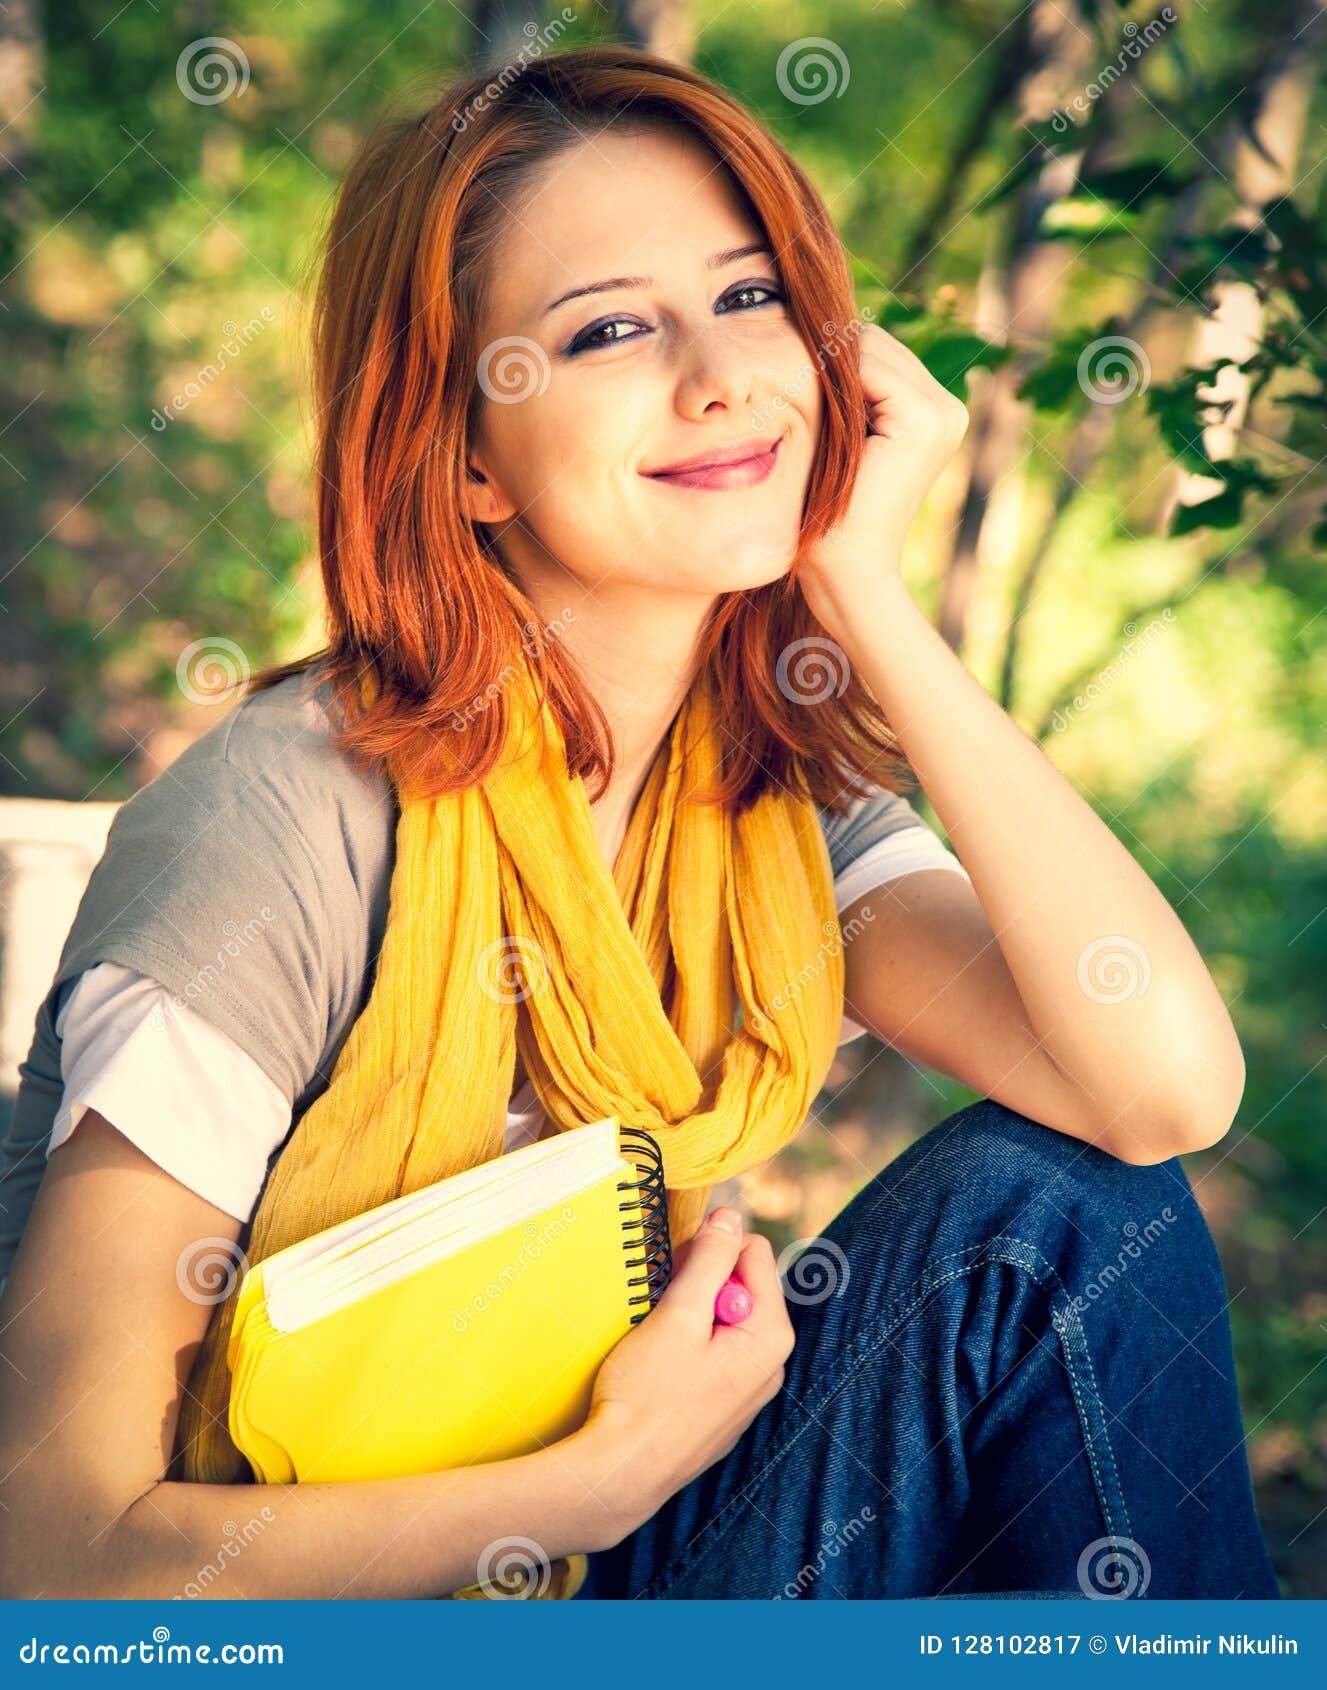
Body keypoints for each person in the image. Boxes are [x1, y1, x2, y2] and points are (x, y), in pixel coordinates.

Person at [0, 44, 1277, 1601]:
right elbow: (53, 1560)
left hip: (611, 1576)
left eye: (750, 300)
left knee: (1068, 1218)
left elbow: (1163, 1094)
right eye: (607, 328)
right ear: (465, 451)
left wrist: (867, 592)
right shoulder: (289, 819)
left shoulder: (760, 795)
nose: (723, 375)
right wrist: (599, 1471)